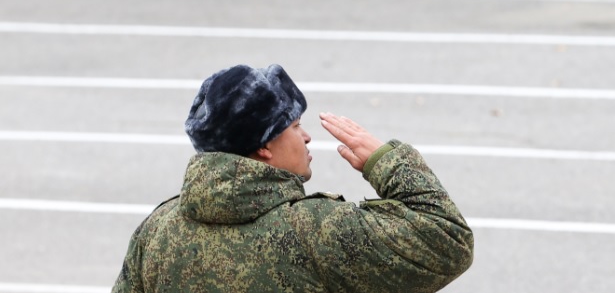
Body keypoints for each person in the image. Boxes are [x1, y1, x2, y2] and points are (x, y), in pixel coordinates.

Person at [112, 63, 474, 292]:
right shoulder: (315, 231)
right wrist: (386, 161)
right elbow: (447, 241)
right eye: (295, 125)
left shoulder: (157, 231)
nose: (306, 137)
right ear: (265, 145)